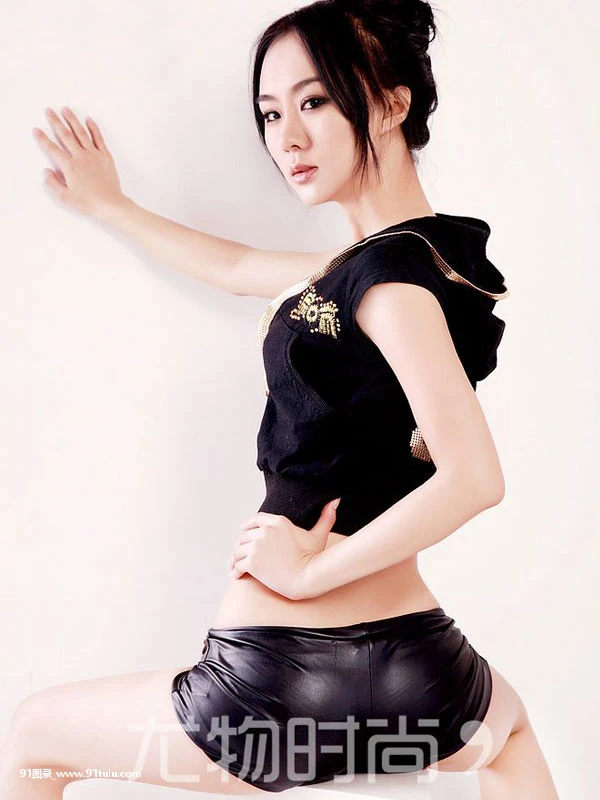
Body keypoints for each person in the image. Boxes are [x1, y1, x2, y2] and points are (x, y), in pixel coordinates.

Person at [2, 0, 560, 798]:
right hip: (424, 674)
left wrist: (307, 579)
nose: (287, 138)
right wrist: (112, 205)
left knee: (34, 736)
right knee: (510, 739)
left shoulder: (385, 285)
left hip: (278, 687)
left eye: (314, 101)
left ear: (392, 104)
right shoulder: (418, 265)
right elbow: (239, 268)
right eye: (270, 114)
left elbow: (475, 478)